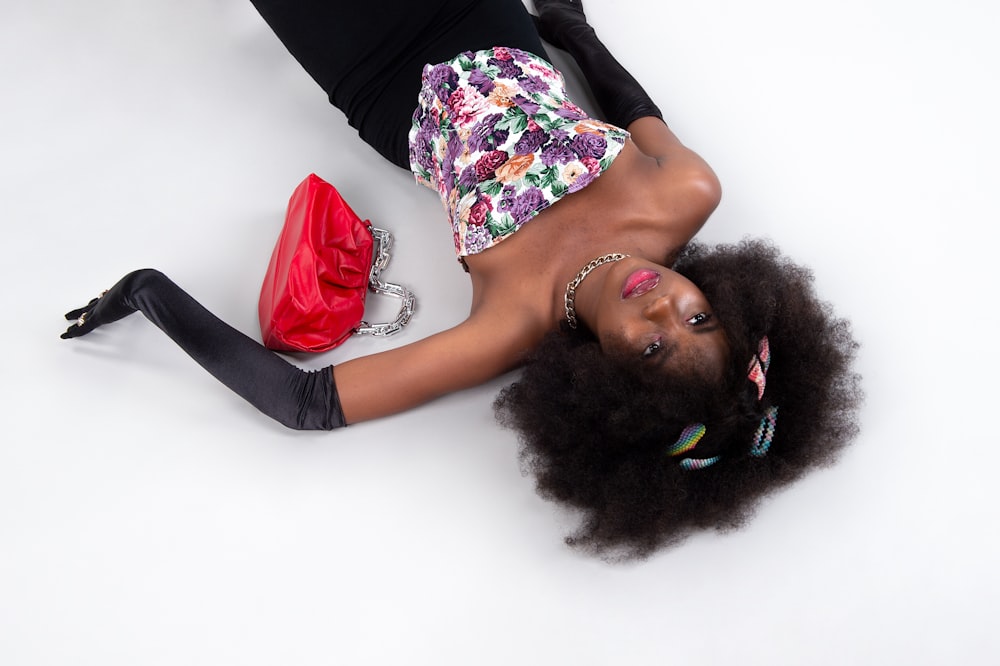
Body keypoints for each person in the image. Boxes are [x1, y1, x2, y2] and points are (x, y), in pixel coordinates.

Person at [61, 0, 861, 558]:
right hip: (485, 14)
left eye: (651, 352)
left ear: (606, 377)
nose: (663, 310)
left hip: (371, 70)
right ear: (722, 302)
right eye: (699, 321)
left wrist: (148, 293)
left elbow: (304, 404)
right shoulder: (683, 192)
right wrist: (570, 26)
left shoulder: (508, 324)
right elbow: (626, 97)